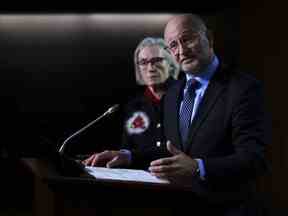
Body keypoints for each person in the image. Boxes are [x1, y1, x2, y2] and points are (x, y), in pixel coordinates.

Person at [147, 14, 271, 215]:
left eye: (187, 39)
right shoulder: (171, 94)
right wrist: (127, 156)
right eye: (173, 45)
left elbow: (254, 158)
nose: (182, 50)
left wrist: (198, 167)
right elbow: (169, 153)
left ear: (210, 39)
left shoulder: (243, 88)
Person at [83, 37, 180, 169]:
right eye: (143, 62)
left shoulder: (186, 96)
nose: (150, 68)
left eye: (157, 60)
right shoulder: (133, 106)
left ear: (171, 63)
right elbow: (126, 149)